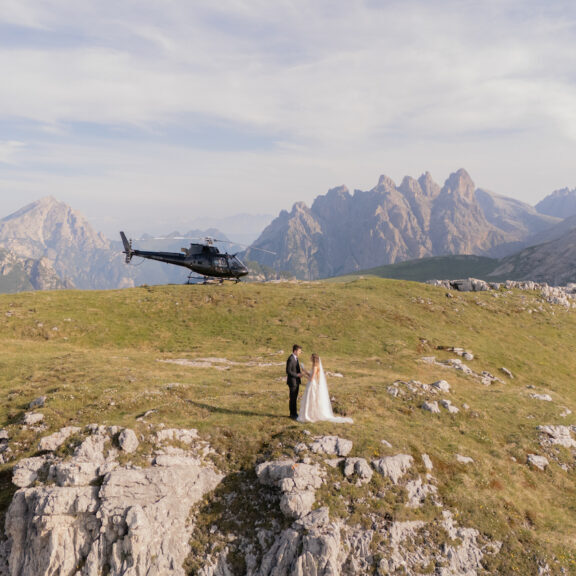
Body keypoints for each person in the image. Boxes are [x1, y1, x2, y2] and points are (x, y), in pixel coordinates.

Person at [297, 353, 353, 423]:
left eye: (311, 357)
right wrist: (305, 371)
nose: (310, 358)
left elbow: (311, 379)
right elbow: (311, 375)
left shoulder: (315, 367)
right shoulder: (314, 366)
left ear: (313, 359)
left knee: (311, 399)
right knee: (310, 399)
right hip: (312, 384)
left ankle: (310, 416)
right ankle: (310, 415)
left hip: (312, 385)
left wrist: (303, 375)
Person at [286, 344, 304, 420]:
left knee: (295, 398)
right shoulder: (291, 359)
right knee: (292, 398)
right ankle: (292, 414)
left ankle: (294, 413)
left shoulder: (296, 358)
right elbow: (288, 371)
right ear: (295, 351)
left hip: (296, 382)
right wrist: (297, 375)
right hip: (292, 382)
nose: (300, 352)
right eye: (299, 351)